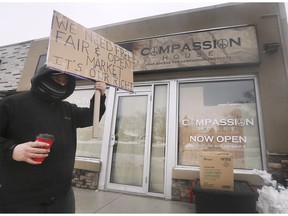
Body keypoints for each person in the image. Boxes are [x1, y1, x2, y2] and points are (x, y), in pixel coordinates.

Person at [0, 65, 106, 213]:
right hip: (20, 198)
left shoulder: (67, 109)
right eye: (57, 78)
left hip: (62, 197)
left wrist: (99, 95)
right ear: (42, 77)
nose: (62, 84)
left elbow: (91, 117)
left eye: (65, 81)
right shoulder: (11, 104)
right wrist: (12, 150)